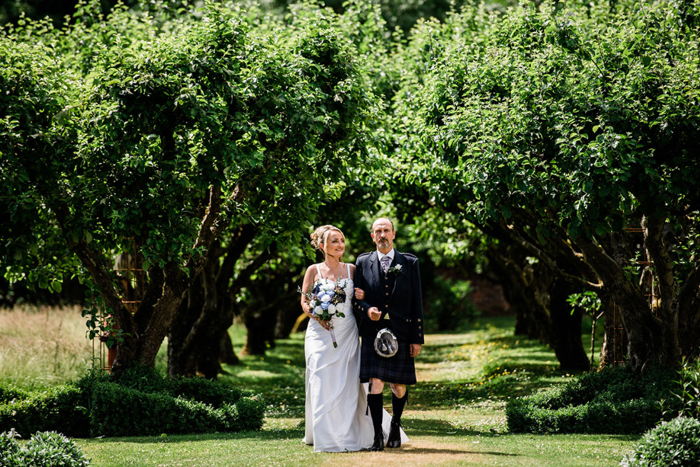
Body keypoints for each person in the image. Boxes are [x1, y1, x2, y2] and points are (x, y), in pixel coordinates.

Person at [300, 225, 407, 452]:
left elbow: (366, 293)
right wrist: (317, 314)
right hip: (319, 333)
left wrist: (363, 296)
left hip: (347, 331)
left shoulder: (352, 269)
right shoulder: (313, 270)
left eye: (341, 240)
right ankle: (324, 434)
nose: (340, 245)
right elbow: (305, 301)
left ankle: (349, 431)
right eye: (334, 241)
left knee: (348, 382)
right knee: (320, 376)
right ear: (322, 246)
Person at [353, 217, 424, 451]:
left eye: (386, 230)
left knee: (398, 386)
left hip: (401, 331)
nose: (382, 235)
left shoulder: (409, 262)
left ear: (394, 234)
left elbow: (417, 303)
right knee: (376, 383)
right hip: (373, 332)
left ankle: (394, 424)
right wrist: (367, 310)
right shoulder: (363, 262)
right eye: (377, 231)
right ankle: (376, 437)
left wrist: (417, 338)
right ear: (372, 236)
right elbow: (356, 300)